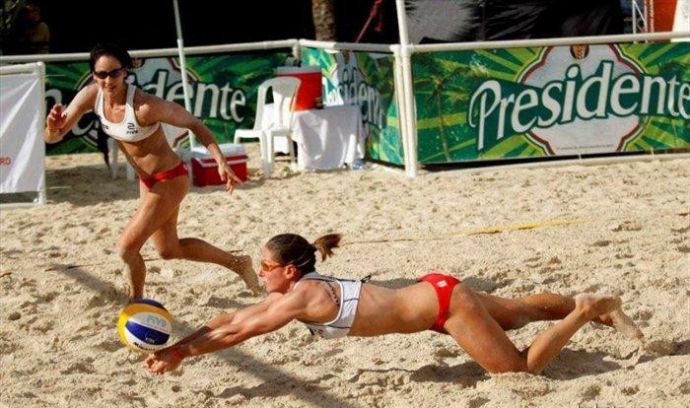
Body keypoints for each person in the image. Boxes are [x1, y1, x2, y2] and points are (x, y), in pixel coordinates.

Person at [145, 233, 643, 375]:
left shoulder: (301, 298)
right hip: (437, 290)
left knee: (517, 370)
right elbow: (229, 318)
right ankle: (603, 309)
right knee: (521, 311)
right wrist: (180, 345)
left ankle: (585, 309)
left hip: (444, 308)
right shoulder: (300, 288)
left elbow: (241, 332)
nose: (261, 273)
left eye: (266, 267)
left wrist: (181, 353)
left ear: (290, 271)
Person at [44, 43, 262, 299]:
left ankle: (136, 302)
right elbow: (53, 137)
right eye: (101, 74)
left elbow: (194, 123)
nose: (108, 80)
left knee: (126, 248)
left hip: (170, 179)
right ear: (93, 74)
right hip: (147, 182)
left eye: (114, 73)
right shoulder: (91, 96)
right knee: (169, 250)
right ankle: (239, 264)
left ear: (125, 71)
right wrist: (52, 128)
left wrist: (220, 160)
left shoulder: (145, 106)